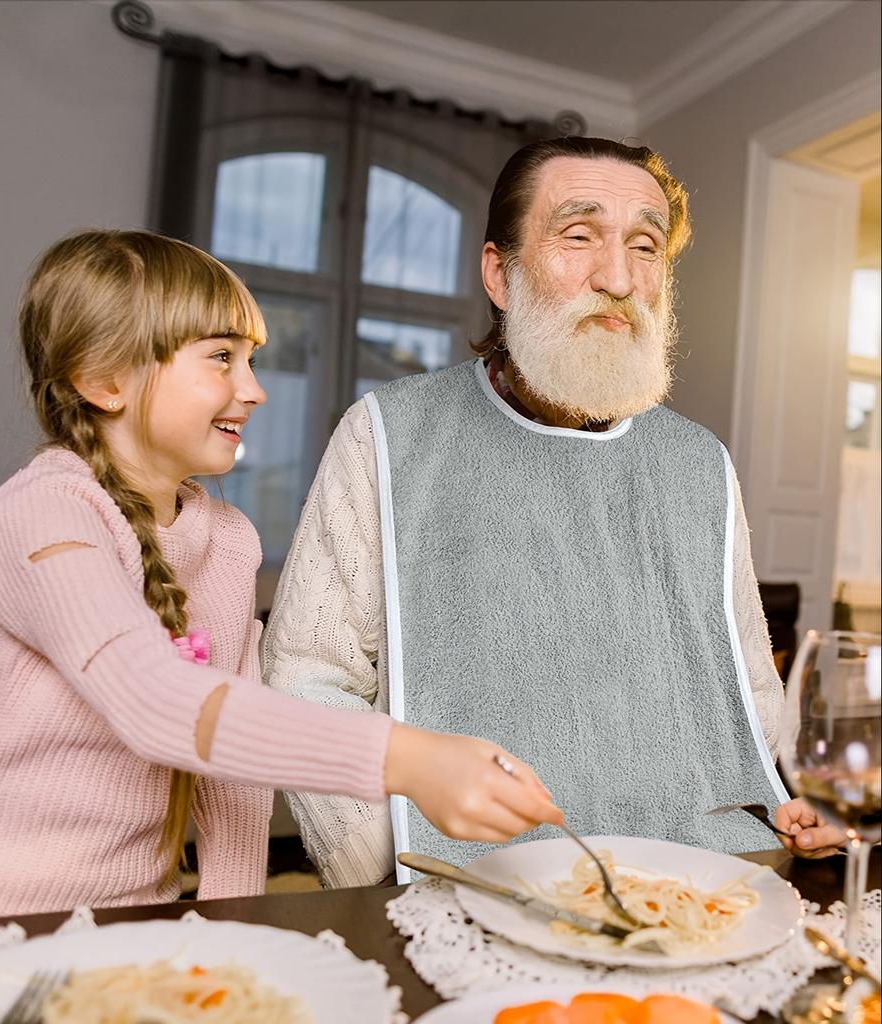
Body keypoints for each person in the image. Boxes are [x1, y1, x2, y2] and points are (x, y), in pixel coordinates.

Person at [0, 230, 561, 984]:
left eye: (251, 359)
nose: (253, 388)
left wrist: (231, 937)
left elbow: (232, 780)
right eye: (221, 357)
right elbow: (156, 701)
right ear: (102, 378)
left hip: (120, 942)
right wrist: (406, 757)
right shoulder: (43, 514)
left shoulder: (226, 542)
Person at [262, 136, 846, 888]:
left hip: (711, 880)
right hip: (472, 883)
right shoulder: (387, 433)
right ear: (499, 273)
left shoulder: (701, 462)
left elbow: (747, 688)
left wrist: (806, 797)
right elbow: (306, 675)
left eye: (646, 246)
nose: (618, 277)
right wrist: (385, 857)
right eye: (579, 236)